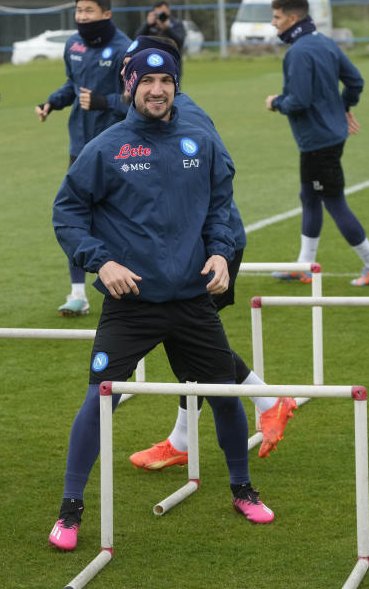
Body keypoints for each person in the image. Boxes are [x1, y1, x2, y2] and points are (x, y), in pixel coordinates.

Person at [48, 48, 276, 553]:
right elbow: (67, 213)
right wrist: (100, 262)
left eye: (166, 80)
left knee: (223, 395)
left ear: (177, 86)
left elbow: (219, 207)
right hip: (131, 302)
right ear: (130, 86)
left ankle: (242, 489)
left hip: (193, 299)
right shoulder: (108, 147)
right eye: (147, 80)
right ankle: (70, 508)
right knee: (99, 397)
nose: (157, 89)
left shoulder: (200, 140)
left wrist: (220, 253)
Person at [118, 37, 297, 470]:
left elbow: (218, 179)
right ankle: (204, 430)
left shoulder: (185, 115)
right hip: (183, 250)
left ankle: (266, 402)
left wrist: (207, 246)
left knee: (188, 337)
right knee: (188, 340)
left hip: (207, 248)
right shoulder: (146, 111)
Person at [264, 0, 369, 287]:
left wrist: (275, 102)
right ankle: (304, 266)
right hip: (327, 137)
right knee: (309, 197)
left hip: (318, 141)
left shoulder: (298, 51)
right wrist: (344, 106)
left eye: (277, 17)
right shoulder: (324, 42)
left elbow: (299, 101)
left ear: (292, 18)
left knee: (333, 201)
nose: (273, 23)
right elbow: (355, 81)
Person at [36, 0, 131, 317]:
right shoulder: (72, 45)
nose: (82, 17)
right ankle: (77, 293)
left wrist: (106, 102)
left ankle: (128, 280)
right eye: (78, 10)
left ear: (106, 13)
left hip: (118, 148)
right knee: (76, 216)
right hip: (80, 147)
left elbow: (140, 99)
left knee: (119, 217)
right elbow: (72, 87)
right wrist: (52, 102)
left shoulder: (124, 48)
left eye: (89, 11)